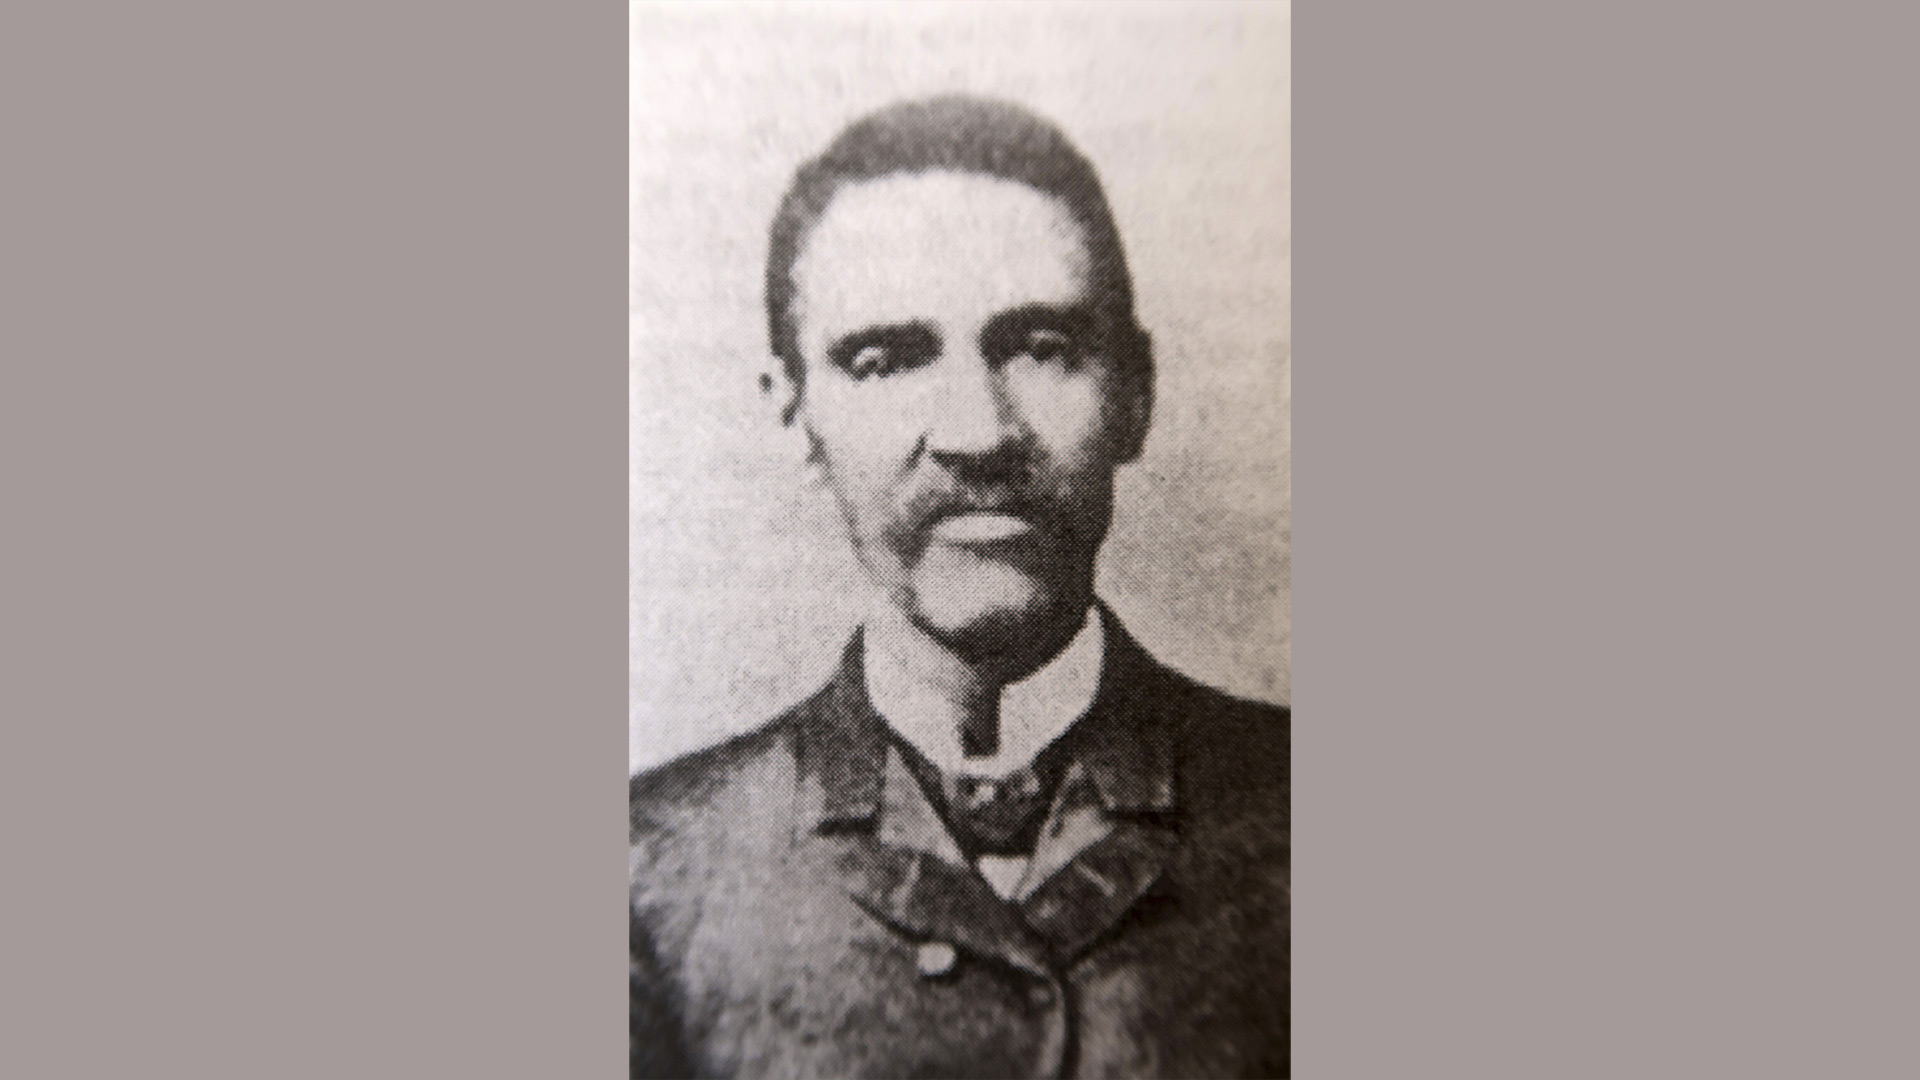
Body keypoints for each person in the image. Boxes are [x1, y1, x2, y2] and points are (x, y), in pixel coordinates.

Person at [631, 95, 1289, 1079]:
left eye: (1041, 349)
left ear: (1136, 393)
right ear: (795, 411)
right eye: (886, 359)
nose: (977, 432)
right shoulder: (649, 882)